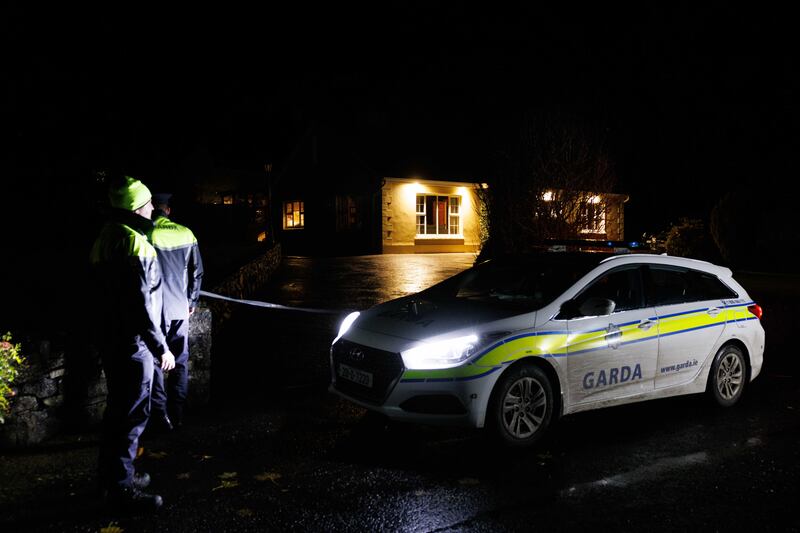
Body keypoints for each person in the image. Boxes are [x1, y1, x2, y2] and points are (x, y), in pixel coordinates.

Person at [90, 175, 175, 512]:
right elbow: (141, 305)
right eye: (149, 203)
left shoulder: (105, 239)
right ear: (137, 207)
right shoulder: (135, 244)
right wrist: (161, 348)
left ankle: (113, 475)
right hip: (134, 345)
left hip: (111, 340)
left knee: (117, 413)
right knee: (132, 416)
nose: (154, 208)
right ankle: (120, 489)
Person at [147, 192, 204, 431]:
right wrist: (192, 300)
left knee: (155, 361)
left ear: (153, 211)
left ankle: (160, 417)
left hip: (155, 310)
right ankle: (177, 413)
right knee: (180, 361)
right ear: (168, 210)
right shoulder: (186, 233)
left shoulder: (146, 234)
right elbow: (197, 271)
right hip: (180, 308)